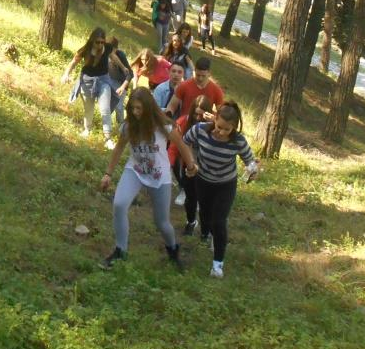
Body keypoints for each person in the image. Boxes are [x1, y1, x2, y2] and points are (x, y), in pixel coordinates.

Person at [100, 87, 197, 269]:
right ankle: (120, 251)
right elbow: (119, 149)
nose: (136, 112)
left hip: (159, 175)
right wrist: (108, 174)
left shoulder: (163, 127)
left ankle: (173, 249)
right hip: (135, 170)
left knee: (161, 222)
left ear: (147, 107)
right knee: (119, 204)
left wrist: (191, 165)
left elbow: (182, 146)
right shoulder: (129, 126)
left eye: (139, 108)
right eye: (133, 109)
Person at [182, 101, 259, 278]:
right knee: (206, 216)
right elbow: (185, 142)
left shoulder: (238, 141)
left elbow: (250, 162)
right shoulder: (200, 130)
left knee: (219, 221)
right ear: (214, 119)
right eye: (219, 127)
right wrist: (191, 162)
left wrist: (253, 171)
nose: (221, 132)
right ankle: (206, 232)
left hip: (226, 184)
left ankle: (217, 264)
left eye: (227, 129)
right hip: (203, 180)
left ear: (234, 127)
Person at [61, 27, 130, 143]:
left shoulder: (107, 48)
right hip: (87, 81)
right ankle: (87, 129)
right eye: (97, 42)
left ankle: (108, 138)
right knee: (89, 108)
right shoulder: (85, 49)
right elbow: (73, 62)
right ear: (92, 40)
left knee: (105, 108)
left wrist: (123, 67)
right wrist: (66, 74)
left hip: (104, 80)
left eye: (102, 42)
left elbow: (113, 56)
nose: (100, 44)